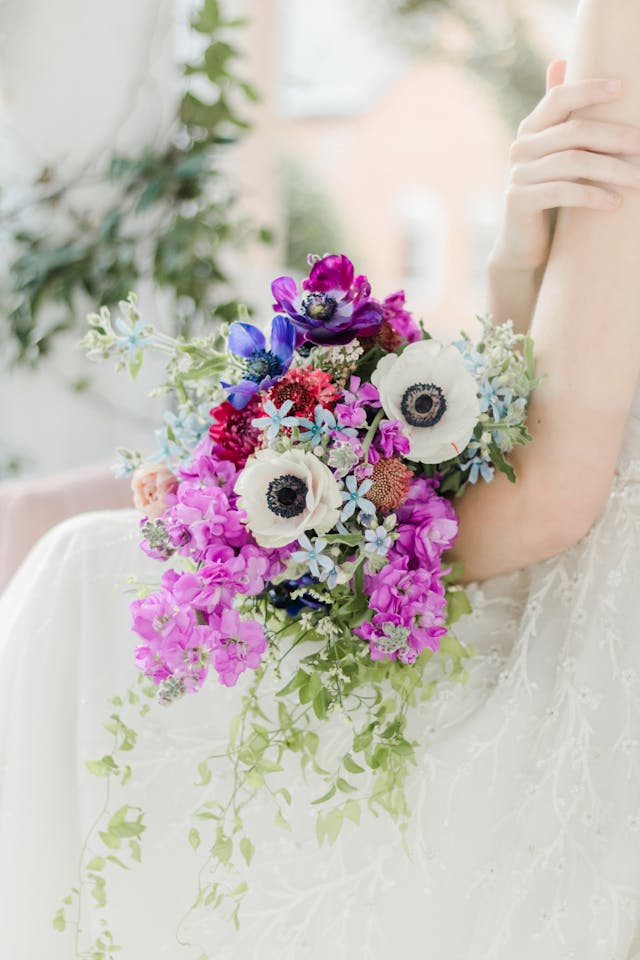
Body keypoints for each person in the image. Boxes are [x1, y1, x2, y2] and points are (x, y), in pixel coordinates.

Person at [2, 1, 640, 957]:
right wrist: (520, 250)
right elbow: (538, 403)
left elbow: (550, 492)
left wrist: (332, 557)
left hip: (586, 641)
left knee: (74, 578)